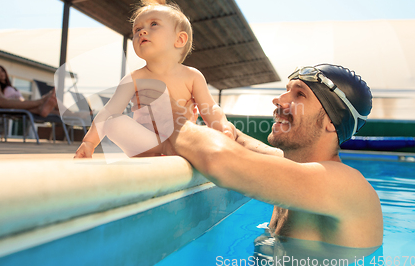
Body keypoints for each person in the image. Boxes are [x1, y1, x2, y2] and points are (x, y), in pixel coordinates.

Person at [134, 64, 383, 250]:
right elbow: (237, 143)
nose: (279, 99)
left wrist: (168, 116)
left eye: (299, 95)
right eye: (286, 91)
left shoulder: (345, 185)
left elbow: (221, 160)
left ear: (331, 121)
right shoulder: (292, 171)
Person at [74, 0, 234, 158]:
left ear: (179, 39)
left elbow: (209, 108)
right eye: (136, 29)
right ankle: (165, 148)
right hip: (147, 146)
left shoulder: (192, 76)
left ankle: (178, 146)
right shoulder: (135, 78)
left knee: (215, 131)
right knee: (112, 122)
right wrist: (89, 142)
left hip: (183, 140)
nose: (142, 31)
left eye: (154, 24)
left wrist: (222, 127)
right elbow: (108, 111)